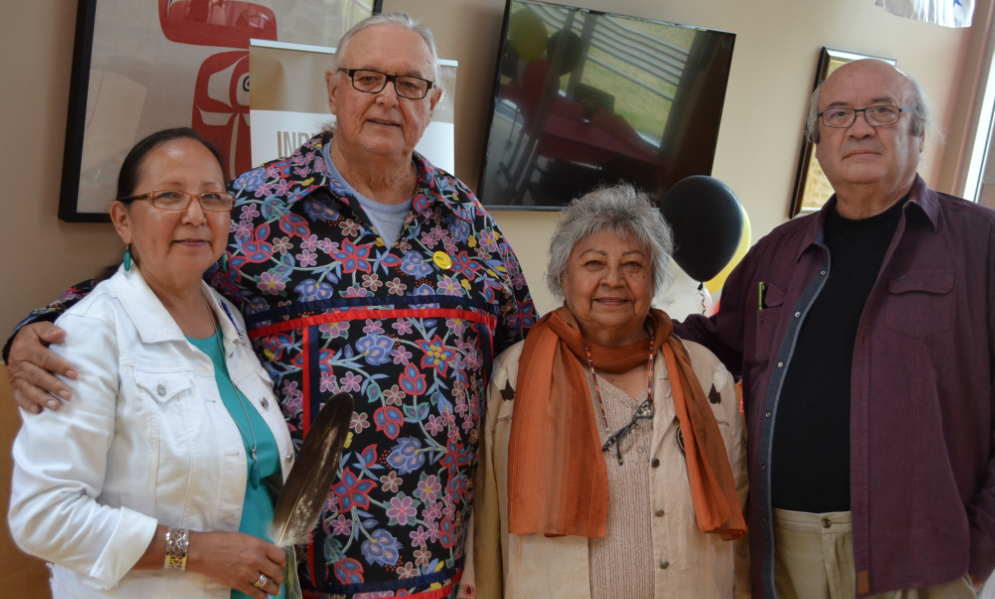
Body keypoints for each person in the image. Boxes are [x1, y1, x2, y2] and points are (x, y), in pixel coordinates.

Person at [5, 13, 535, 599]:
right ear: (333, 89)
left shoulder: (468, 221)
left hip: (443, 567)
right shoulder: (258, 206)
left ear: (432, 101)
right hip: (292, 571)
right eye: (367, 78)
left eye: (410, 84)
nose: (388, 99)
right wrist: (35, 327)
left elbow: (525, 351)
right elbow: (151, 276)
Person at [674, 59, 995, 598]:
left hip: (921, 557)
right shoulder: (778, 252)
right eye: (839, 114)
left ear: (919, 133)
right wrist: (603, 314)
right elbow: (705, 346)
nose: (860, 127)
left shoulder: (980, 244)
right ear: (818, 142)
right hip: (782, 546)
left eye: (883, 111)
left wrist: (979, 548)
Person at [7, 128, 295, 598]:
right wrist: (196, 551)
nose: (196, 215)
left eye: (212, 197)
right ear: (123, 220)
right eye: (169, 196)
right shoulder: (88, 337)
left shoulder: (229, 319)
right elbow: (43, 518)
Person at [458, 186, 749, 599]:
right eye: (593, 263)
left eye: (633, 265)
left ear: (655, 280)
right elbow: (487, 518)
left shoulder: (706, 375)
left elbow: (740, 518)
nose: (613, 280)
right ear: (563, 277)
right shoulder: (515, 374)